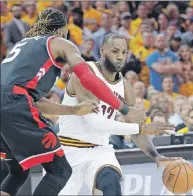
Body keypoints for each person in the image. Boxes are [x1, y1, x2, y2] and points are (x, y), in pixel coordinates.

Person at [0, 9, 146, 196]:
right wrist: (124, 108)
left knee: (18, 171)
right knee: (60, 171)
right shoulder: (60, 43)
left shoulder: (23, 45)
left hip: (11, 103)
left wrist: (73, 109)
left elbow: (33, 100)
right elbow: (87, 77)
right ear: (63, 28)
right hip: (14, 103)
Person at [58, 33, 181, 195]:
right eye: (115, 51)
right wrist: (141, 129)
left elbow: (136, 130)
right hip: (69, 150)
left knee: (111, 184)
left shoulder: (125, 87)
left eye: (124, 52)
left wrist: (155, 155)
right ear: (102, 51)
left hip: (100, 151)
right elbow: (96, 123)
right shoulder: (85, 74)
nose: (120, 57)